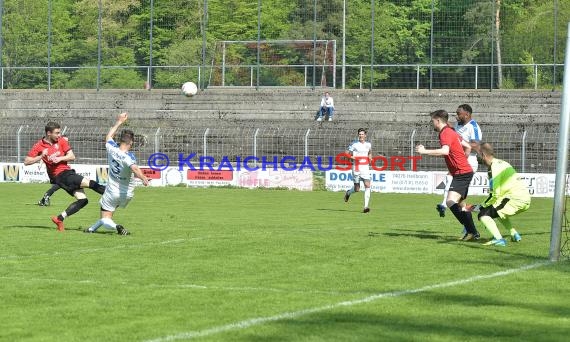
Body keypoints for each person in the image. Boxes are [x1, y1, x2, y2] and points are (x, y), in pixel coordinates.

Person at [25, 122, 106, 231]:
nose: (59, 135)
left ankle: (59, 218)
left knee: (83, 200)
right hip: (60, 176)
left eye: (59, 132)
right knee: (91, 183)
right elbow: (26, 161)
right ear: (49, 133)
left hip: (67, 173)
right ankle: (112, 195)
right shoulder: (39, 145)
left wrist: (60, 159)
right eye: (57, 133)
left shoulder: (61, 140)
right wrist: (40, 156)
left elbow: (72, 156)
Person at [415, 109, 480, 240]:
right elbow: (467, 146)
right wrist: (461, 160)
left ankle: (478, 218)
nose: (432, 124)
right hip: (463, 171)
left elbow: (445, 151)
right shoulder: (452, 131)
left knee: (450, 201)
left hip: (462, 173)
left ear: (438, 120)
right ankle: (473, 232)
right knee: (462, 205)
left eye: (433, 121)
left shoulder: (445, 133)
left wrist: (424, 151)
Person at [84, 112, 149, 235]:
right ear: (131, 143)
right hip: (127, 194)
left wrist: (119, 121)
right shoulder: (129, 157)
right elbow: (134, 168)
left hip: (112, 191)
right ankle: (91, 229)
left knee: (105, 218)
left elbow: (108, 136)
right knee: (107, 214)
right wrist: (143, 178)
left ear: (120, 141)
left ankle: (117, 227)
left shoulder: (112, 148)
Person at [469, 143, 529, 246]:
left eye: (478, 155)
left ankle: (499, 239)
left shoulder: (493, 168)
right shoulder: (502, 163)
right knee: (498, 211)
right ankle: (514, 233)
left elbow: (495, 194)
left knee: (483, 215)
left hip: (514, 199)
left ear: (483, 155)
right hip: (522, 198)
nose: (477, 158)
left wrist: (481, 207)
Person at [436, 104, 483, 218]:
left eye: (459, 114)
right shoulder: (457, 125)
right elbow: (453, 134)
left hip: (469, 160)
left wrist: (458, 144)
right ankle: (481, 209)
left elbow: (476, 145)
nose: (456, 116)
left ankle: (444, 204)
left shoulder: (473, 126)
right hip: (458, 159)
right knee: (458, 199)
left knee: (456, 196)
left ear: (467, 114)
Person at [343, 128, 372, 213]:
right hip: (356, 168)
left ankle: (366, 207)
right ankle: (348, 193)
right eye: (359, 134)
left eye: (362, 134)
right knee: (357, 189)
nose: (361, 136)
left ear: (365, 135)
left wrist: (370, 157)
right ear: (358, 135)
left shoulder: (368, 144)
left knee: (367, 185)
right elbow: (346, 153)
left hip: (365, 168)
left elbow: (370, 152)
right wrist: (352, 157)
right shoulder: (354, 144)